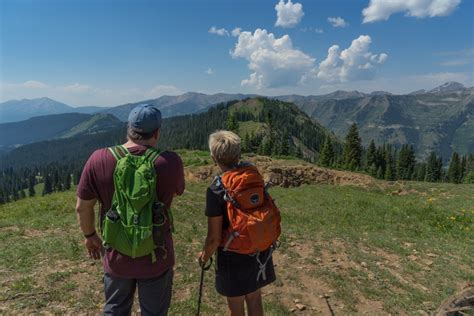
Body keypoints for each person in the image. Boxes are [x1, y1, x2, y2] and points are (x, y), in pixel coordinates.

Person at [76, 104, 184, 316]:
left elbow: (82, 207)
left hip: (117, 254)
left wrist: (90, 235)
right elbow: (178, 191)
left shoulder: (99, 159)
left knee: (115, 309)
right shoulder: (170, 162)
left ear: (128, 129)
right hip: (156, 254)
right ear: (157, 132)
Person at [198, 130, 278, 316]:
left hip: (233, 254)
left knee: (235, 306)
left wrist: (204, 256)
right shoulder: (253, 174)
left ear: (213, 157)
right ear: (238, 154)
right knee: (254, 298)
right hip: (258, 245)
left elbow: (214, 237)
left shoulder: (216, 189)